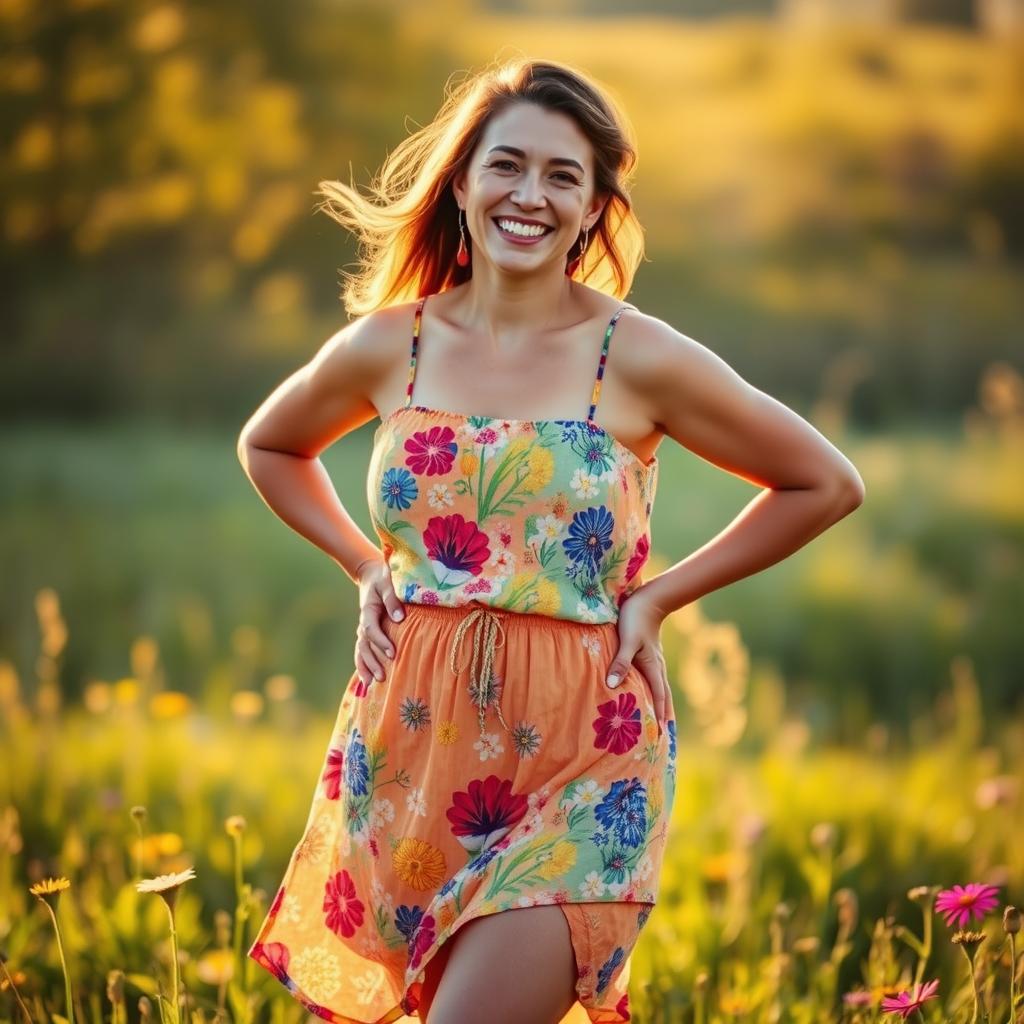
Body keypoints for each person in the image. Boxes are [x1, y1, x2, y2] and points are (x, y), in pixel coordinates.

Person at [237, 57, 864, 1024]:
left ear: (594, 207)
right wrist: (366, 565)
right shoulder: (390, 344)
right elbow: (271, 444)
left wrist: (657, 598)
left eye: (563, 176)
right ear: (462, 183)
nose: (530, 196)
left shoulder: (636, 353)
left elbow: (824, 482)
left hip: (584, 753)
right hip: (411, 747)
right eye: (508, 166)